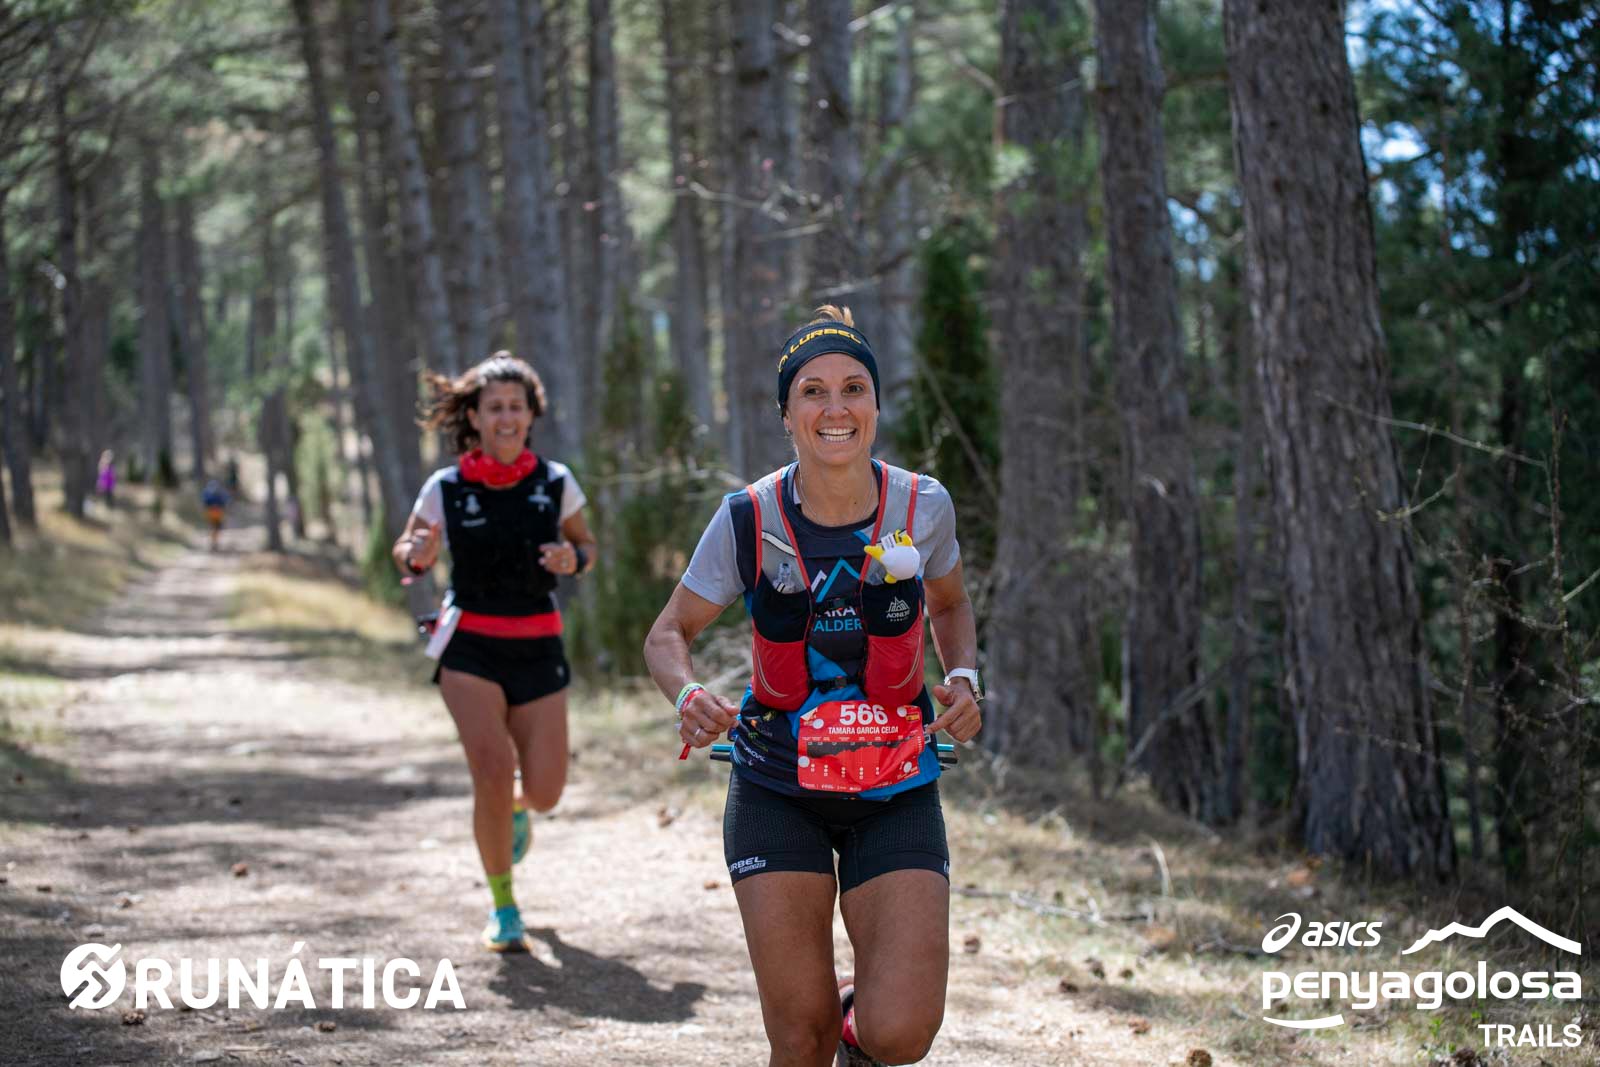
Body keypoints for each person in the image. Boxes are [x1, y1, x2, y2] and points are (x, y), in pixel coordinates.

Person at [643, 307, 983, 1067]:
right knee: (800, 1038)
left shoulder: (922, 505)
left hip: (895, 785)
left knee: (901, 1033)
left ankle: (858, 1025)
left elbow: (951, 604)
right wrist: (688, 696)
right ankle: (828, 1024)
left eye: (854, 388)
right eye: (813, 391)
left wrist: (963, 676)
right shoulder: (747, 518)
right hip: (776, 785)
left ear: (876, 406)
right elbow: (667, 634)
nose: (836, 407)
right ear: (786, 414)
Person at [393, 352, 597, 953]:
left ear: (531, 415)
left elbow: (587, 548)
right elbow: (406, 546)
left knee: (547, 791)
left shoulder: (555, 482)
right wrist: (416, 556)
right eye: (494, 408)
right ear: (475, 418)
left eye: (516, 407)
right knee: (489, 769)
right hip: (470, 646)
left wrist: (573, 559)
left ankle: (516, 807)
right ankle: (504, 906)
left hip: (538, 644)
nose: (506, 417)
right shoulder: (447, 486)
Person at [201, 479, 229, 551]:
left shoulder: (207, 492)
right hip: (218, 513)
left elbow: (205, 503)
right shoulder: (220, 492)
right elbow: (224, 502)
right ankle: (214, 542)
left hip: (210, 512)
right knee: (216, 528)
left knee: (213, 527)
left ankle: (213, 542)